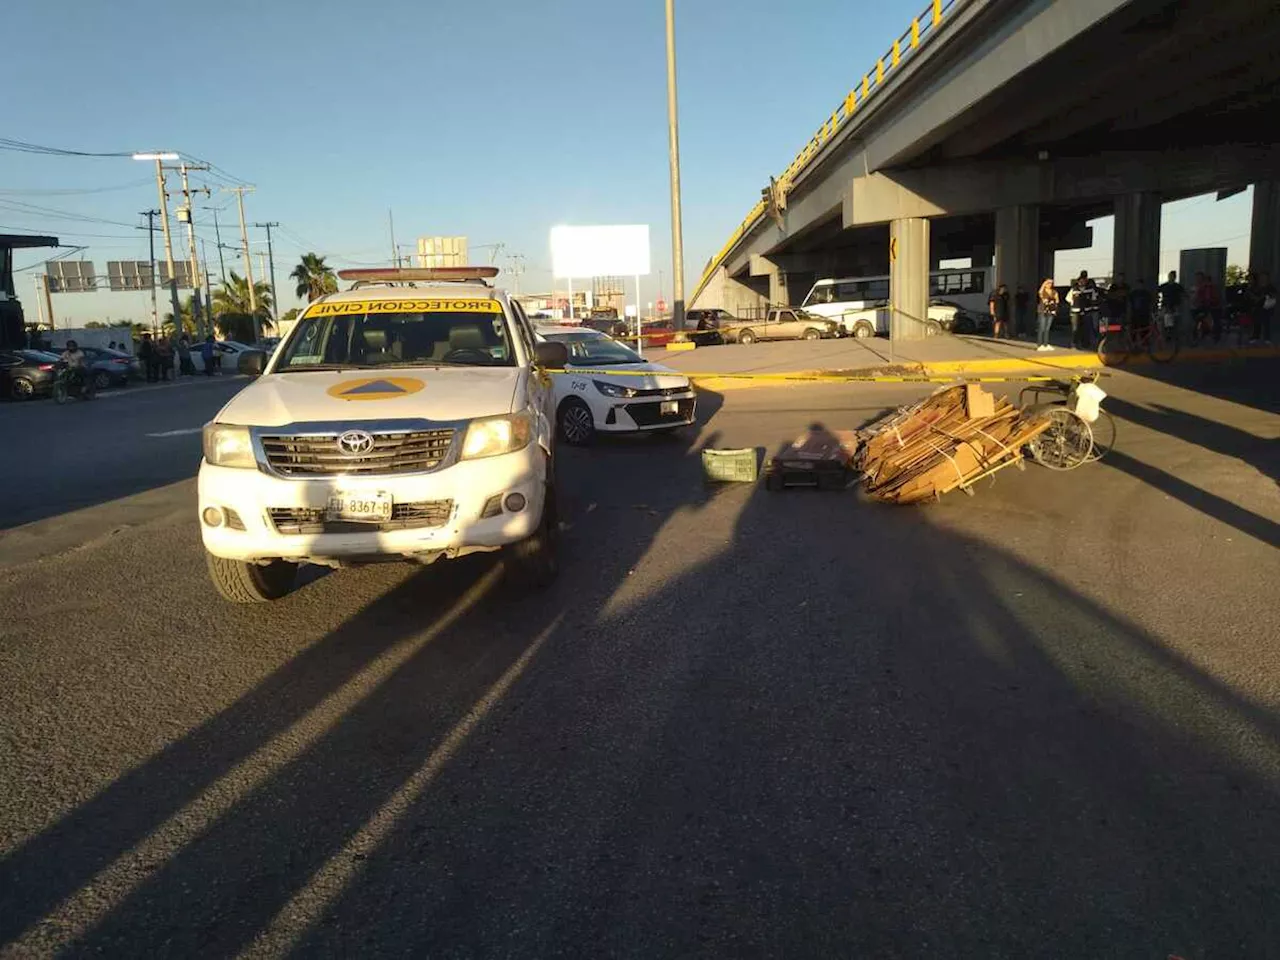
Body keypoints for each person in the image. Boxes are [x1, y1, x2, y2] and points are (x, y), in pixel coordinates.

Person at [1035, 278, 1058, 351]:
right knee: (1041, 327)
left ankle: (1046, 344)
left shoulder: (1054, 292)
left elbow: (1057, 300)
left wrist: (1054, 307)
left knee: (1047, 328)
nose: (1049, 284)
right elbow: (1040, 292)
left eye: (1050, 283)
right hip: (1042, 310)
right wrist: (1044, 283)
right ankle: (1039, 344)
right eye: (1048, 283)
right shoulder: (1043, 291)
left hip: (1050, 311)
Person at [1254, 271, 1276, 344]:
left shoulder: (1270, 287)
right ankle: (1256, 336)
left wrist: (1267, 296)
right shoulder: (1257, 287)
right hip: (1258, 307)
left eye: (1264, 277)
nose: (1262, 279)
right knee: (1257, 322)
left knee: (1267, 323)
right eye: (1261, 277)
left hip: (1267, 307)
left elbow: (1274, 295)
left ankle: (1267, 338)